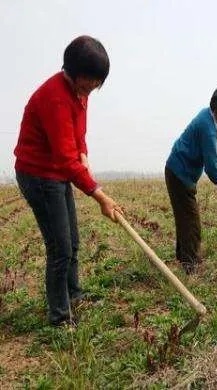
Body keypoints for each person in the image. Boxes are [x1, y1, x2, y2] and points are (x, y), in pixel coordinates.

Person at [14, 36, 121, 327]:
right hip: (38, 175)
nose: (90, 92)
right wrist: (99, 195)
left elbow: (78, 133)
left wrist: (83, 153)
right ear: (72, 73)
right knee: (60, 247)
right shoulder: (55, 98)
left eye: (95, 86)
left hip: (56, 172)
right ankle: (60, 316)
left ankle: (74, 295)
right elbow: (64, 158)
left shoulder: (78, 93)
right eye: (86, 85)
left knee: (72, 241)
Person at [165, 87, 217, 274]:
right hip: (179, 173)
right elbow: (212, 169)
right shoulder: (207, 128)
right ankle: (190, 266)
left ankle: (185, 258)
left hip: (178, 171)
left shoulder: (206, 115)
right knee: (191, 222)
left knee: (185, 220)